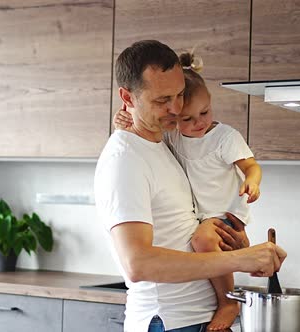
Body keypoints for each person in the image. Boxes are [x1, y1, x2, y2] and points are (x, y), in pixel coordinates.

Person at [94, 40, 285, 332]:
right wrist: (239, 259)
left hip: (201, 319)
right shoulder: (125, 159)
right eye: (162, 100)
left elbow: (182, 230)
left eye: (180, 94)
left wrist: (237, 247)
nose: (176, 108)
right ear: (127, 97)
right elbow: (138, 263)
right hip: (170, 322)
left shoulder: (165, 145)